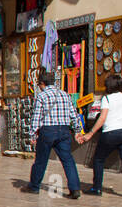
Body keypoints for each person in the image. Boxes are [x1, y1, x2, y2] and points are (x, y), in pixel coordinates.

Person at [77, 73, 122, 200]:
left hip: (111, 133)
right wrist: (121, 113)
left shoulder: (106, 99)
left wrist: (90, 133)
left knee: (99, 159)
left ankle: (97, 188)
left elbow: (102, 118)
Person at [22, 69, 82, 198]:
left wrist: (32, 134)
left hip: (48, 131)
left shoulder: (42, 96)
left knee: (41, 160)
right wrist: (77, 130)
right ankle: (75, 189)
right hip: (64, 130)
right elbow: (74, 114)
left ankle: (34, 186)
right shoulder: (65, 94)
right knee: (68, 160)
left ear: (42, 83)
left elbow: (36, 117)